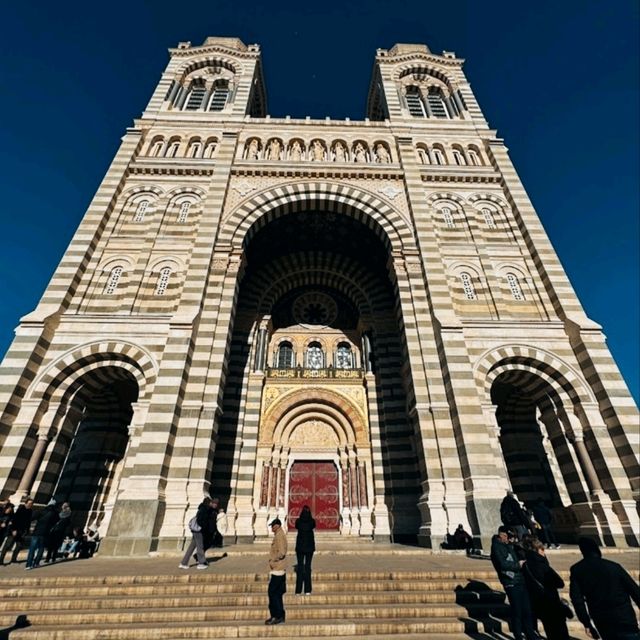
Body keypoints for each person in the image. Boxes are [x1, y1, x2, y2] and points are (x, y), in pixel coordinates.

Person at [570, 537, 640, 640]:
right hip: (625, 618)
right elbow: (635, 591)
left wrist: (587, 623)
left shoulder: (577, 570)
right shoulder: (614, 566)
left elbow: (577, 600)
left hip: (603, 621)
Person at [490, 526, 538, 640]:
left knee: (526, 609)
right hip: (510, 581)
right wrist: (518, 565)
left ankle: (530, 633)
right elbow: (502, 564)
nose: (509, 539)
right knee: (517, 610)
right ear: (501, 534)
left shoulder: (509, 545)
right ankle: (518, 635)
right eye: (507, 536)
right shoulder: (496, 547)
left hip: (520, 579)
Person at [523, 538, 569, 640]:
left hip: (539, 604)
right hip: (552, 603)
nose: (544, 551)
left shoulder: (525, 566)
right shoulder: (543, 565)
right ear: (537, 550)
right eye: (542, 549)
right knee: (561, 633)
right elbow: (560, 583)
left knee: (550, 632)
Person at [265, 517, 287, 625]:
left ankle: (277, 615)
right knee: (277, 593)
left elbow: (282, 552)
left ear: (277, 526)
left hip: (278, 569)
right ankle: (278, 615)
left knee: (272, 593)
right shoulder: (279, 535)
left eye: (272, 526)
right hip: (277, 569)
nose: (271, 529)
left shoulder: (279, 536)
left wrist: (274, 559)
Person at [179, 497, 212, 570]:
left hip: (195, 530)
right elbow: (201, 521)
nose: (211, 504)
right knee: (200, 547)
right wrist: (203, 527)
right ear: (208, 503)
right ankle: (201, 563)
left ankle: (183, 563)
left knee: (191, 547)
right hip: (198, 531)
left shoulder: (201, 508)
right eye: (210, 502)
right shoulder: (204, 509)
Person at [26, 499, 59, 569]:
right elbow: (56, 522)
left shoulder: (42, 510)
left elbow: (32, 518)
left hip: (37, 531)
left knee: (32, 549)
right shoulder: (55, 513)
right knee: (41, 548)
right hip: (45, 533)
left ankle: (28, 565)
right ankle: (36, 563)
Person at [0, 498, 33, 565]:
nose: (30, 505)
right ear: (26, 503)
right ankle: (1, 560)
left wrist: (27, 530)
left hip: (22, 531)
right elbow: (14, 520)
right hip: (14, 531)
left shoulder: (30, 511)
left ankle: (14, 559)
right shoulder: (20, 510)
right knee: (7, 545)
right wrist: (13, 530)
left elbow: (28, 522)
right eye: (29, 503)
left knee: (19, 546)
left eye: (31, 504)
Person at [294, 505, 316, 595]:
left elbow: (296, 526)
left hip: (300, 548)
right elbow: (313, 526)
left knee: (300, 568)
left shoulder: (298, 522)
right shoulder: (312, 522)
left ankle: (298, 590)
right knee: (307, 568)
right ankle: (307, 590)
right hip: (309, 548)